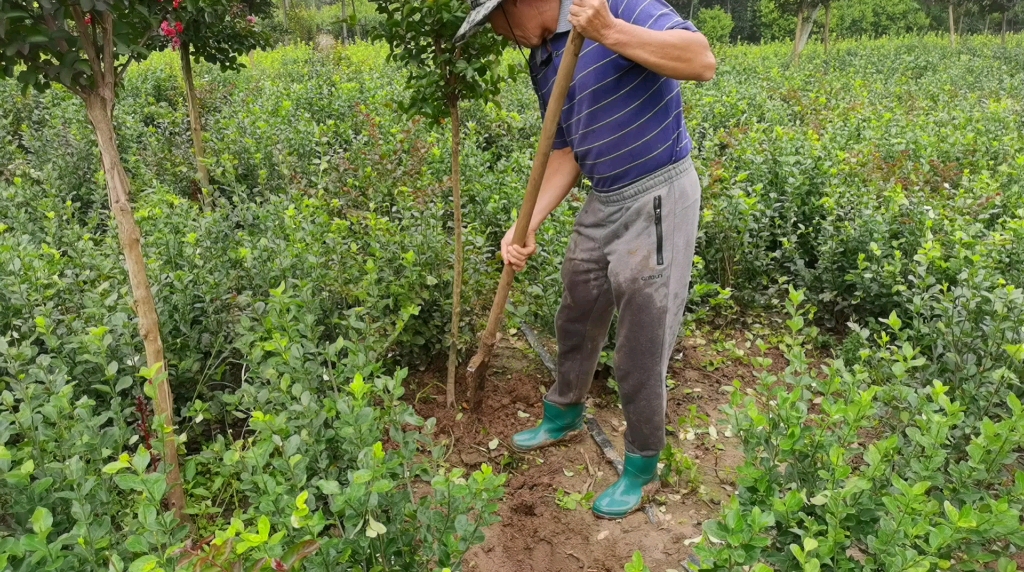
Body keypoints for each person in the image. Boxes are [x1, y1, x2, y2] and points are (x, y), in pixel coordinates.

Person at [455, 0, 716, 519]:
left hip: (658, 192)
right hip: (606, 197)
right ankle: (565, 410)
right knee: (577, 306)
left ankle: (643, 464)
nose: (501, 35)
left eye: (498, 22)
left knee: (641, 338)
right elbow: (565, 152)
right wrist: (524, 223)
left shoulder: (615, 5)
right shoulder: (542, 56)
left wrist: (611, 31)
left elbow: (700, 61)